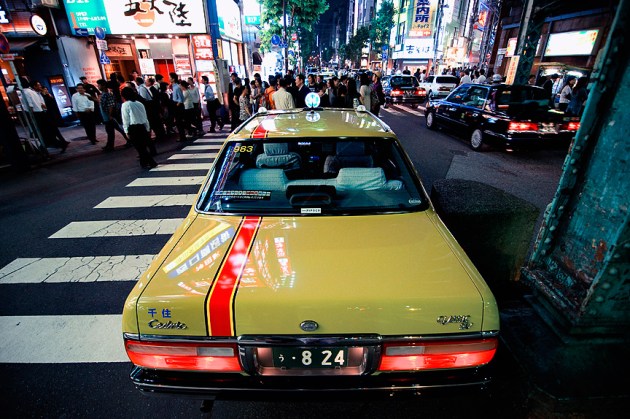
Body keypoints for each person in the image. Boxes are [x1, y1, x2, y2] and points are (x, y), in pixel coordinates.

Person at [120, 86, 157, 169]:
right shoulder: (139, 104)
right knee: (142, 146)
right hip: (142, 127)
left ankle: (151, 162)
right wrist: (147, 128)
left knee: (139, 147)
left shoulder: (125, 105)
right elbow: (145, 117)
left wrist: (126, 131)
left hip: (133, 128)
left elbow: (125, 119)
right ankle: (143, 163)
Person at [97, 79, 125, 151]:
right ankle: (110, 145)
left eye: (99, 85)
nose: (98, 86)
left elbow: (111, 106)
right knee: (114, 130)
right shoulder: (104, 94)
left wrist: (110, 115)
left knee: (111, 131)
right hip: (106, 116)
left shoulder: (107, 94)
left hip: (109, 116)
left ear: (103, 86)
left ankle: (110, 146)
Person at [169, 72, 187, 142]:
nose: (169, 79)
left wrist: (176, 106)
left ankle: (183, 136)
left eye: (170, 78)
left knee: (179, 122)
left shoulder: (177, 87)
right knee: (178, 122)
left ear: (173, 79)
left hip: (178, 106)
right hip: (175, 105)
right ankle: (182, 136)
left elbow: (181, 99)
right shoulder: (174, 87)